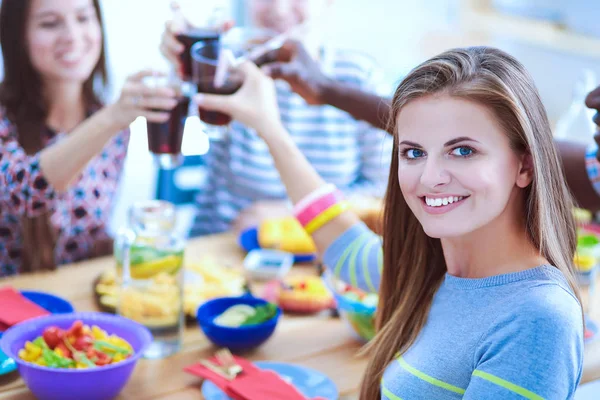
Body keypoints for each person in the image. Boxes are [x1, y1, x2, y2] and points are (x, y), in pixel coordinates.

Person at [193, 47, 583, 399]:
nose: (430, 178)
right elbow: (346, 250)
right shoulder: (435, 268)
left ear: (525, 166)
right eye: (413, 152)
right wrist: (269, 128)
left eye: (462, 151)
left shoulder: (537, 319)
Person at [160, 0, 392, 235]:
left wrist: (292, 213)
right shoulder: (227, 66)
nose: (279, 8)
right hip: (221, 245)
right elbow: (172, 122)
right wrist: (183, 64)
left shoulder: (358, 79)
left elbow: (382, 191)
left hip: (326, 250)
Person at [0, 0, 178, 276]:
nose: (72, 36)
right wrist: (113, 117)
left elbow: (87, 236)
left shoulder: (112, 126)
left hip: (79, 305)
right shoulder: (111, 120)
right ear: (17, 36)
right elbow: (25, 192)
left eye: (83, 18)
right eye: (49, 23)